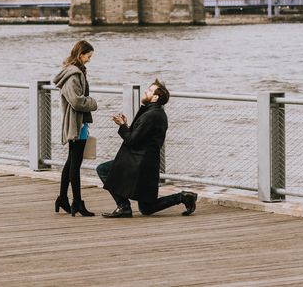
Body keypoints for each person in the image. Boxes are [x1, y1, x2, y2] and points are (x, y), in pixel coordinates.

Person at [97, 79, 197, 218]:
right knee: (147, 208)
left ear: (155, 97)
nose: (145, 91)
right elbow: (139, 136)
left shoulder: (151, 115)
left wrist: (122, 126)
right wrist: (125, 125)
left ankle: (123, 206)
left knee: (103, 169)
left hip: (139, 162)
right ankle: (184, 197)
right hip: (146, 162)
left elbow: (132, 140)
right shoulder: (155, 113)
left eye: (149, 90)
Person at [53, 39, 98, 217]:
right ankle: (77, 202)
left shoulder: (74, 72)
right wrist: (93, 103)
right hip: (76, 123)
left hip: (78, 122)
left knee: (71, 161)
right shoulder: (73, 75)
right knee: (75, 163)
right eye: (88, 56)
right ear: (80, 55)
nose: (89, 59)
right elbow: (77, 101)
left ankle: (63, 198)